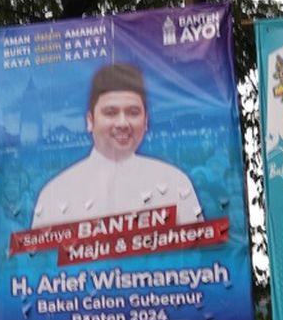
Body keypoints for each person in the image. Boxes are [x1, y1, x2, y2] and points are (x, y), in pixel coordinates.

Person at [31, 63, 203, 228]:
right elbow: (40, 257)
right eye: (111, 113)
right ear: (90, 121)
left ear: (146, 121)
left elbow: (199, 252)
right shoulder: (56, 193)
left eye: (133, 113)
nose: (122, 123)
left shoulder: (174, 182)